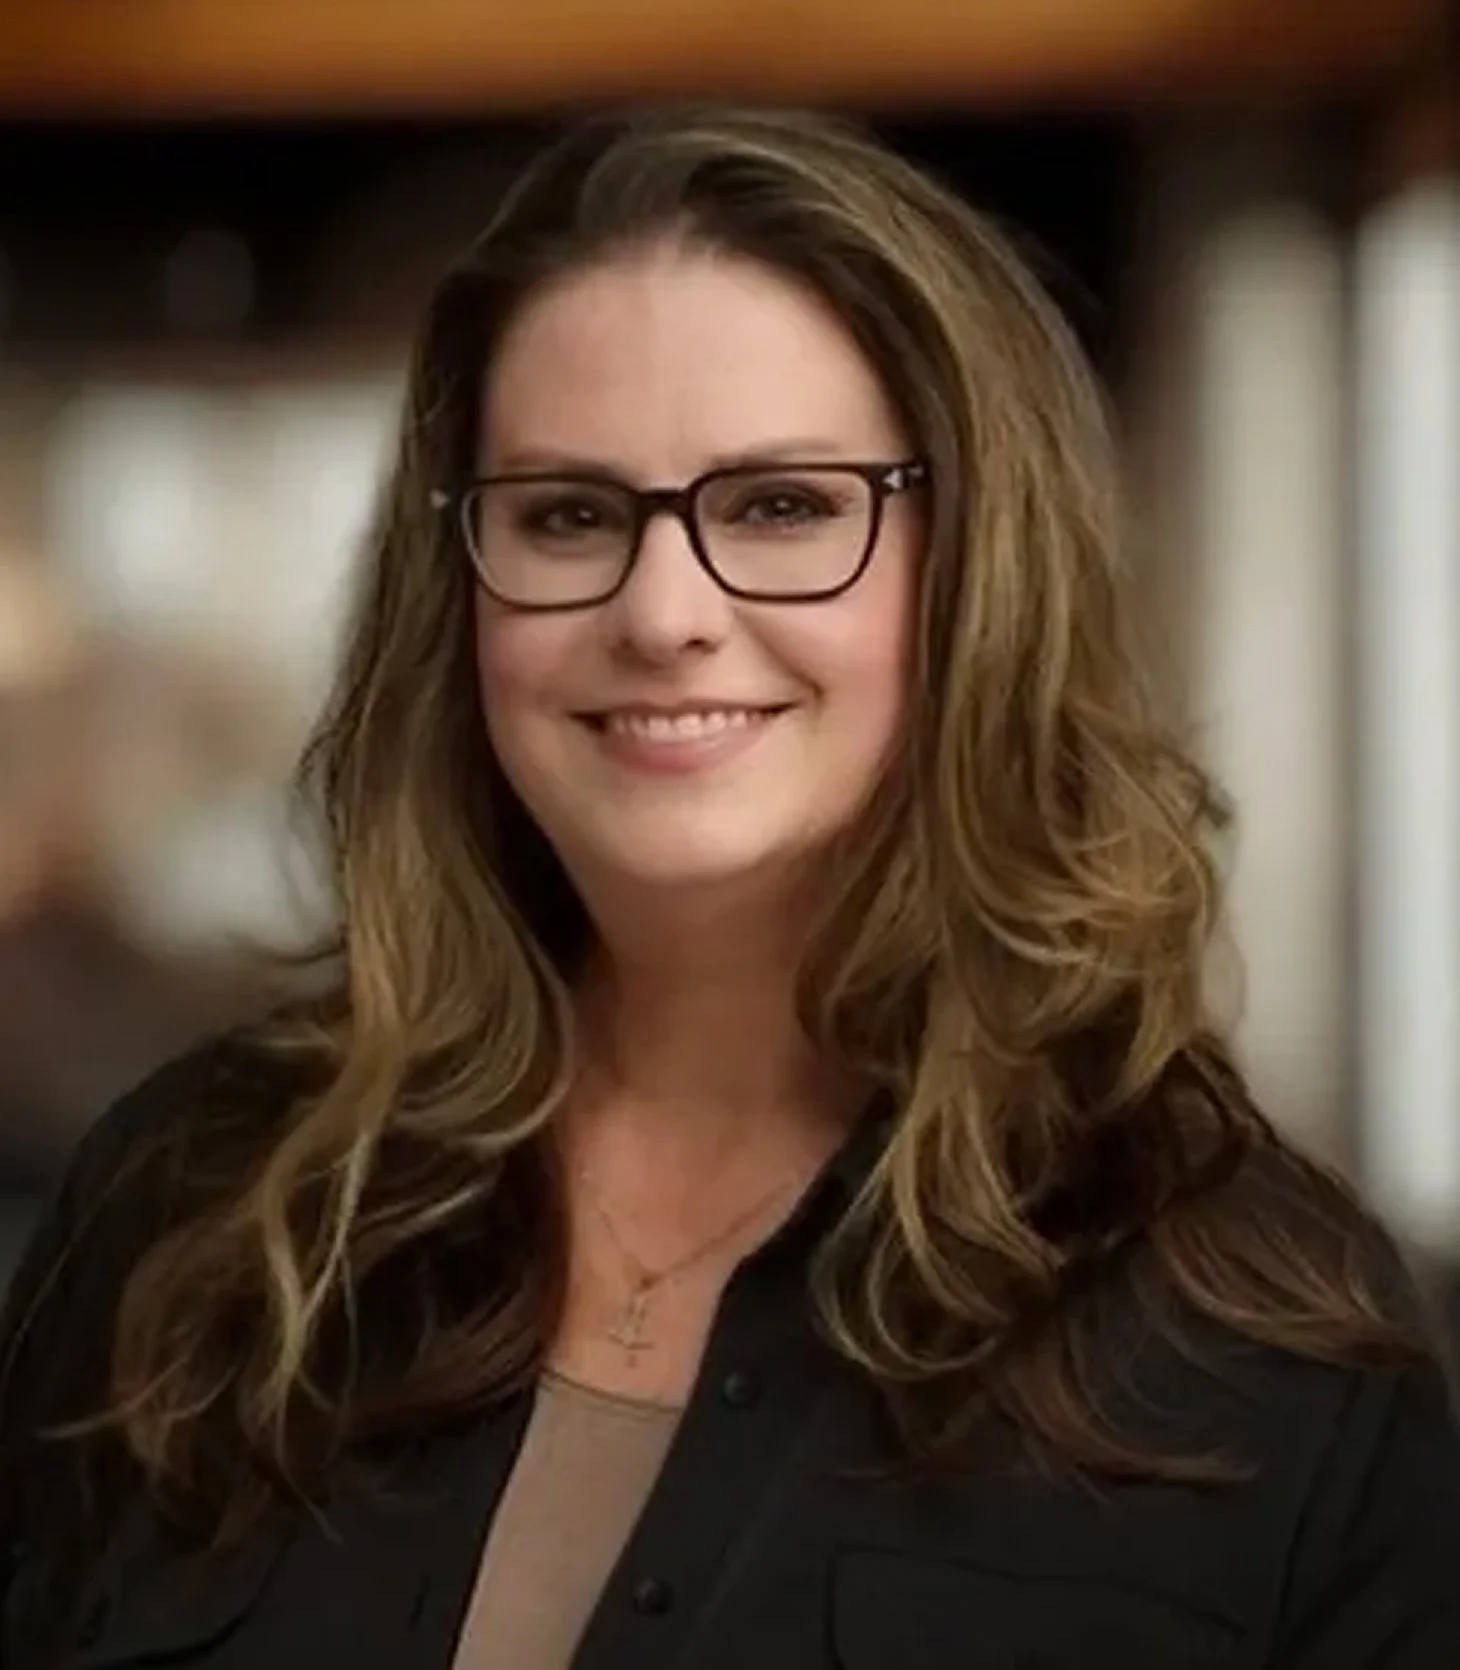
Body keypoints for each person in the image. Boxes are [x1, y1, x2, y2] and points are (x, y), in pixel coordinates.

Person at [2, 103, 1458, 1670]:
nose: (664, 609)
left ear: (979, 575)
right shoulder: (194, 1210)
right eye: (569, 514)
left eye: (783, 507)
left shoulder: (1265, 1329)